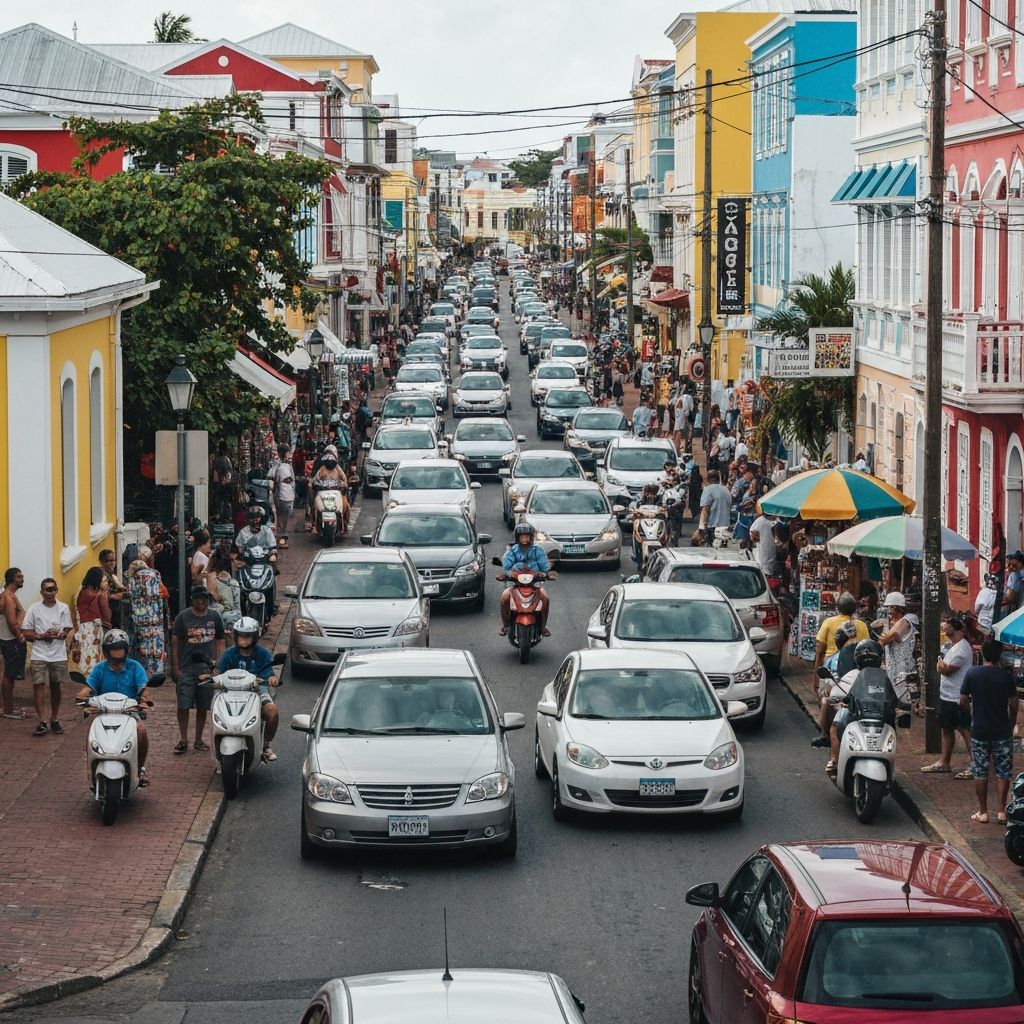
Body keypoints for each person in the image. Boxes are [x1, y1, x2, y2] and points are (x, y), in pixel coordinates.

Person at [76, 628, 152, 786]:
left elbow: (144, 690)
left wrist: (143, 700)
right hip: (103, 713)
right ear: (106, 651)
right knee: (92, 736)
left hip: (129, 713)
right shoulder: (99, 669)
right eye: (114, 649)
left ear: (126, 650)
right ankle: (92, 768)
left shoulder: (135, 667)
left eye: (120, 649)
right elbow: (86, 689)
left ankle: (140, 768)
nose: (117, 653)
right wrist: (82, 698)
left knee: (141, 731)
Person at [959, 638, 1018, 823]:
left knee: (980, 770)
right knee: (1003, 771)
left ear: (983, 654)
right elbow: (1014, 704)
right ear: (999, 656)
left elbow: (962, 700)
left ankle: (983, 812)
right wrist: (1012, 723)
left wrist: (972, 714)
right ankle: (1001, 811)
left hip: (980, 729)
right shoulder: (1006, 677)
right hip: (1001, 729)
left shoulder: (972, 674)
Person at [215, 616, 280, 762]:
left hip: (256, 691)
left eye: (247, 637)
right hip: (230, 693)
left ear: (254, 637)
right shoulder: (228, 654)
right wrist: (215, 679)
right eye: (241, 636)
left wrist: (271, 678)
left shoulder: (263, 654)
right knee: (216, 710)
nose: (243, 640)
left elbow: (268, 672)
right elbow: (219, 672)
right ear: (236, 636)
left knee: (272, 712)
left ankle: (266, 745)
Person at [170, 585, 225, 754]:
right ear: (192, 600)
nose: (201, 602)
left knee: (203, 706)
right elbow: (175, 642)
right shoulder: (183, 618)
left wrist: (217, 666)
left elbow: (220, 641)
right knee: (183, 704)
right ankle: (183, 738)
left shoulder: (215, 617)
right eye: (198, 599)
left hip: (207, 670)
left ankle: (198, 739)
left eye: (204, 599)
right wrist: (175, 667)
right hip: (187, 668)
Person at [921, 615, 974, 777]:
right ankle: (944, 762)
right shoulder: (954, 646)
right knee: (947, 729)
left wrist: (939, 663)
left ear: (956, 628)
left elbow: (946, 669)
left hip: (956, 697)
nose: (944, 627)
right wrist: (940, 664)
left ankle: (975, 763)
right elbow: (941, 667)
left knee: (965, 730)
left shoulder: (962, 649)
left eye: (947, 625)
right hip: (947, 696)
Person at [21, 578, 73, 737]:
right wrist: (41, 636)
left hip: (58, 654)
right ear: (41, 592)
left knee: (56, 686)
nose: (50, 592)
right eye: (47, 590)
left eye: (52, 589)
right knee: (38, 686)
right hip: (39, 654)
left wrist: (59, 634)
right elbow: (26, 632)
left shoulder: (63, 608)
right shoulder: (34, 609)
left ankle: (54, 718)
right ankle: (42, 720)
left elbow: (67, 629)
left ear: (56, 590)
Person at [499, 523, 552, 638]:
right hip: (516, 584)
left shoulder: (538, 550)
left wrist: (546, 573)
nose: (524, 539)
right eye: (522, 536)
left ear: (531, 537)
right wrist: (507, 574)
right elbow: (506, 567)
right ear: (517, 537)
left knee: (545, 599)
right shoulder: (512, 551)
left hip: (534, 584)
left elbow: (544, 567)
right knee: (504, 598)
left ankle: (542, 627)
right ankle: (506, 626)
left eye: (527, 536)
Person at [126, 548, 167, 676]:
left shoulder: (132, 579)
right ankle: (157, 670)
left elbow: (130, 597)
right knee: (157, 645)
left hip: (140, 620)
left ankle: (143, 671)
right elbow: (163, 594)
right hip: (155, 619)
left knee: (141, 645)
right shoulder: (155, 575)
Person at [876, 592, 918, 700]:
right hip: (893, 672)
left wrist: (886, 635)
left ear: (895, 608)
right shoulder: (890, 623)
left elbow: (885, 639)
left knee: (909, 704)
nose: (888, 611)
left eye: (889, 608)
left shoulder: (907, 620)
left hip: (906, 673)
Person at [814, 592, 869, 670]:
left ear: (838, 607)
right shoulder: (862, 625)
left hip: (831, 667)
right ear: (854, 609)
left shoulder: (828, 622)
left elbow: (820, 651)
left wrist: (816, 673)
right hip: (854, 667)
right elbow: (866, 647)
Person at [0, 567, 27, 720]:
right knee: (9, 676)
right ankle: (8, 710)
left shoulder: (7, 595)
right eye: (19, 576)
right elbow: (11, 621)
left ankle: (6, 705)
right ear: (11, 579)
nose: (22, 578)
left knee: (6, 674)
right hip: (11, 640)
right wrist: (20, 637)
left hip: (6, 639)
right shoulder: (9, 598)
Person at [76, 566, 112, 676]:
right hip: (94, 629)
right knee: (95, 656)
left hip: (83, 628)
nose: (106, 583)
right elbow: (107, 615)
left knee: (87, 655)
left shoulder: (83, 591)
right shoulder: (100, 595)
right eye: (104, 580)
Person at [270, 444, 296, 538]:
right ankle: (282, 534)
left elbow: (292, 480)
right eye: (287, 452)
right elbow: (273, 478)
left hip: (288, 493)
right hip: (281, 493)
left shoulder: (287, 465)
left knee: (286, 514)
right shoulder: (277, 465)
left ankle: (282, 533)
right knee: (282, 514)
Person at [98, 549, 127, 629]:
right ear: (102, 562)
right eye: (108, 561)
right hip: (107, 608)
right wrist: (112, 596)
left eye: (113, 560)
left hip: (115, 607)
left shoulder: (111, 573)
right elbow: (97, 592)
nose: (112, 563)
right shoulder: (100, 574)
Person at [1000, 551, 1024, 621]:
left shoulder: (1015, 575)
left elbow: (1010, 596)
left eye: (1014, 565)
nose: (1011, 567)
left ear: (1020, 563)